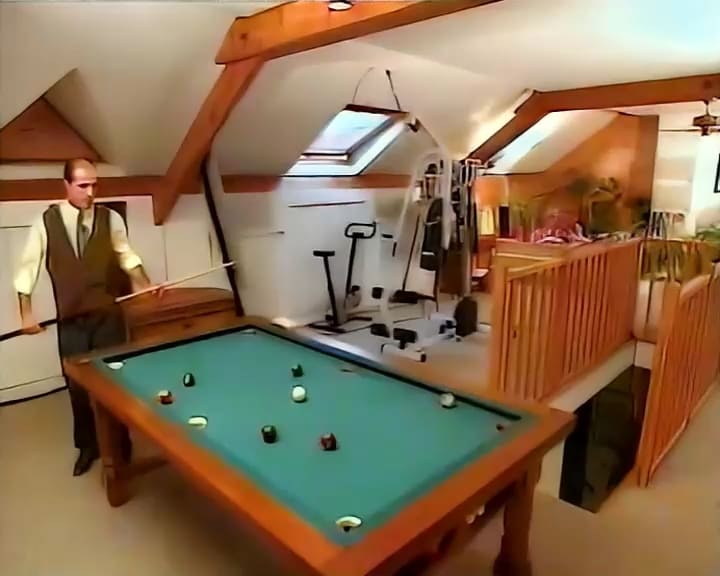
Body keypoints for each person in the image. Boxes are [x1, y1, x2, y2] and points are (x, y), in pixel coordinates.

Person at [14, 158, 159, 476]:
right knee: (78, 388)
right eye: (82, 186)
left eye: (94, 185)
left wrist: (144, 283)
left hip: (108, 317)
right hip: (72, 322)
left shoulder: (110, 219)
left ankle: (120, 444)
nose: (90, 192)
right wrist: (26, 314)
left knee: (116, 383)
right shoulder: (45, 222)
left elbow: (126, 255)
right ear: (66, 185)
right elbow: (28, 267)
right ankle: (88, 446)